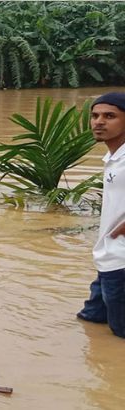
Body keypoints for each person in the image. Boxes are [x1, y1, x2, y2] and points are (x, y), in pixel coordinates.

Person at [77, 92, 125, 339]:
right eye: (95, 115)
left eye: (110, 116)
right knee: (91, 321)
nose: (99, 122)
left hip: (121, 261)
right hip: (108, 254)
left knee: (120, 334)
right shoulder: (114, 157)